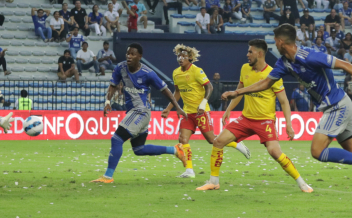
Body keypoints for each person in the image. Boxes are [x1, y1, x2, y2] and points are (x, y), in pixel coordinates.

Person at [222, 23, 352, 218]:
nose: (274, 45)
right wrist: (237, 92)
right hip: (336, 107)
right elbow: (265, 83)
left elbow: (345, 64)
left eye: (275, 41)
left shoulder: (309, 56)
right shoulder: (284, 62)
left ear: (280, 42)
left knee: (318, 151)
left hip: (337, 106)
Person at [197, 39, 312, 192]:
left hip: (265, 121)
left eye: (250, 52)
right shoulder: (245, 68)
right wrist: (228, 110)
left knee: (274, 152)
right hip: (245, 119)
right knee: (218, 142)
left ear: (260, 53)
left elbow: (284, 101)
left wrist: (289, 125)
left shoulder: (273, 74)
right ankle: (213, 182)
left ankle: (302, 183)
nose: (247, 55)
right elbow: (239, 91)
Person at [90, 43, 188, 184]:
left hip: (141, 112)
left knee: (117, 139)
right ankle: (175, 150)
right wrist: (107, 102)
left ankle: (107, 176)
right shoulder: (120, 68)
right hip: (134, 113)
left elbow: (165, 89)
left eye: (132, 54)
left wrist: (176, 107)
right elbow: (113, 85)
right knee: (139, 149)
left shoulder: (148, 73)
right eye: (128, 53)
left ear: (140, 57)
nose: (129, 56)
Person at [161, 45, 250, 178]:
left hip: (201, 112)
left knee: (211, 140)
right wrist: (169, 108)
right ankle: (189, 171)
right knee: (183, 139)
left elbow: (209, 87)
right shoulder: (176, 73)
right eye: (179, 56)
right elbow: (177, 92)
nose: (180, 58)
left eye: (184, 56)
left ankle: (236, 144)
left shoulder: (197, 71)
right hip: (187, 113)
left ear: (190, 58)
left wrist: (203, 103)